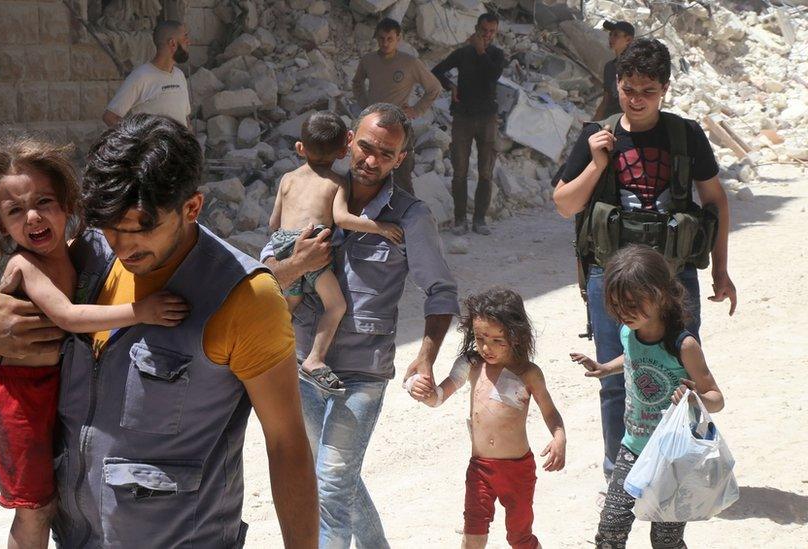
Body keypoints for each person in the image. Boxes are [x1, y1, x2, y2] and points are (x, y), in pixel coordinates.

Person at [0, 114, 319, 547]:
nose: (122, 246)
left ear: (192, 207)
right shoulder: (88, 257)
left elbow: (288, 445)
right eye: (110, 227)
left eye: (140, 229)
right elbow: (19, 338)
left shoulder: (247, 300)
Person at [0, 138, 190, 548]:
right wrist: (142, 310)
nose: (33, 216)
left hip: (57, 395)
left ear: (66, 202)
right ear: (1, 226)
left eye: (44, 202)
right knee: (34, 508)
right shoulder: (25, 265)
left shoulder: (75, 251)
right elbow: (67, 316)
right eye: (15, 211)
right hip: (21, 403)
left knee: (58, 495)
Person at [263, 103, 460, 548]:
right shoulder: (310, 191)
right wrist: (300, 263)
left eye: (386, 154)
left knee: (331, 482)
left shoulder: (410, 217)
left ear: (400, 159)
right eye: (366, 147)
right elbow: (268, 271)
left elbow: (441, 292)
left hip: (362, 374)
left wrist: (426, 356)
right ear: (350, 140)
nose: (371, 161)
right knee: (336, 477)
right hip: (301, 365)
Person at [552, 37, 737, 481]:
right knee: (614, 379)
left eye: (647, 91)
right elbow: (563, 203)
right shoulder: (597, 133)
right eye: (628, 88)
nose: (636, 99)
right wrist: (597, 164)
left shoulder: (686, 135)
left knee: (681, 375)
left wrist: (722, 270)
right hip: (609, 276)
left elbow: (715, 201)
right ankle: (620, 474)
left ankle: (681, 466)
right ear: (617, 83)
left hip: (673, 276)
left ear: (665, 89)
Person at [570, 244, 725, 549]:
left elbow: (716, 398)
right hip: (633, 447)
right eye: (615, 304)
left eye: (631, 303)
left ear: (661, 295)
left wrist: (695, 398)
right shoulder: (629, 332)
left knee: (665, 540)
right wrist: (604, 368)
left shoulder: (684, 345)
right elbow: (631, 357)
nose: (622, 313)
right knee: (611, 527)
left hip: (672, 457)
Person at [406, 287, 565, 549]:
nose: (486, 347)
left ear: (515, 336)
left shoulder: (528, 373)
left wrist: (559, 437)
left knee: (519, 537)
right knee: (472, 537)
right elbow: (437, 397)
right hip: (480, 469)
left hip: (518, 471)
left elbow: (550, 411)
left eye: (497, 340)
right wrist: (420, 390)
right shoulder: (470, 364)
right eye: (480, 338)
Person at [269, 111, 404, 395]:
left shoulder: (287, 179)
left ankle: (271, 355)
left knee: (289, 306)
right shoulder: (336, 183)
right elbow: (342, 219)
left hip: (285, 247)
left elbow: (273, 223)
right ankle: (315, 360)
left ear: (299, 148)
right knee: (336, 306)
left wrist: (289, 248)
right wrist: (379, 227)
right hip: (315, 247)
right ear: (345, 149)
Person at [432, 12, 506, 236]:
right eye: (484, 30)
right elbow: (437, 71)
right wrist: (451, 86)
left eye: (492, 31)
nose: (487, 35)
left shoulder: (496, 54)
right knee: (459, 172)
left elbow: (492, 75)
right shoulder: (463, 54)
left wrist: (480, 50)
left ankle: (480, 220)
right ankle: (459, 220)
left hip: (487, 118)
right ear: (476, 28)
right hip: (463, 117)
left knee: (486, 171)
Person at [351, 17, 442, 194]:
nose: (385, 43)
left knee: (402, 177)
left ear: (398, 38)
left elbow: (434, 88)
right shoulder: (368, 60)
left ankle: (407, 218)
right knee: (369, 173)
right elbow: (357, 83)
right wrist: (365, 105)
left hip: (399, 126)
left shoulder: (409, 63)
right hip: (373, 126)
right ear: (377, 38)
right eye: (381, 38)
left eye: (390, 39)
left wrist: (416, 110)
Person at [103, 20, 191, 128]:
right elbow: (110, 117)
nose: (188, 42)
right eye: (185, 37)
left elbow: (185, 118)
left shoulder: (179, 75)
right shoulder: (141, 76)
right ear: (172, 43)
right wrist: (140, 140)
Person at [592, 21, 635, 121]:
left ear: (628, 40)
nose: (611, 38)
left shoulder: (635, 67)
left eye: (616, 35)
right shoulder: (609, 67)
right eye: (610, 34)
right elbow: (606, 100)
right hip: (610, 122)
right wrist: (593, 125)